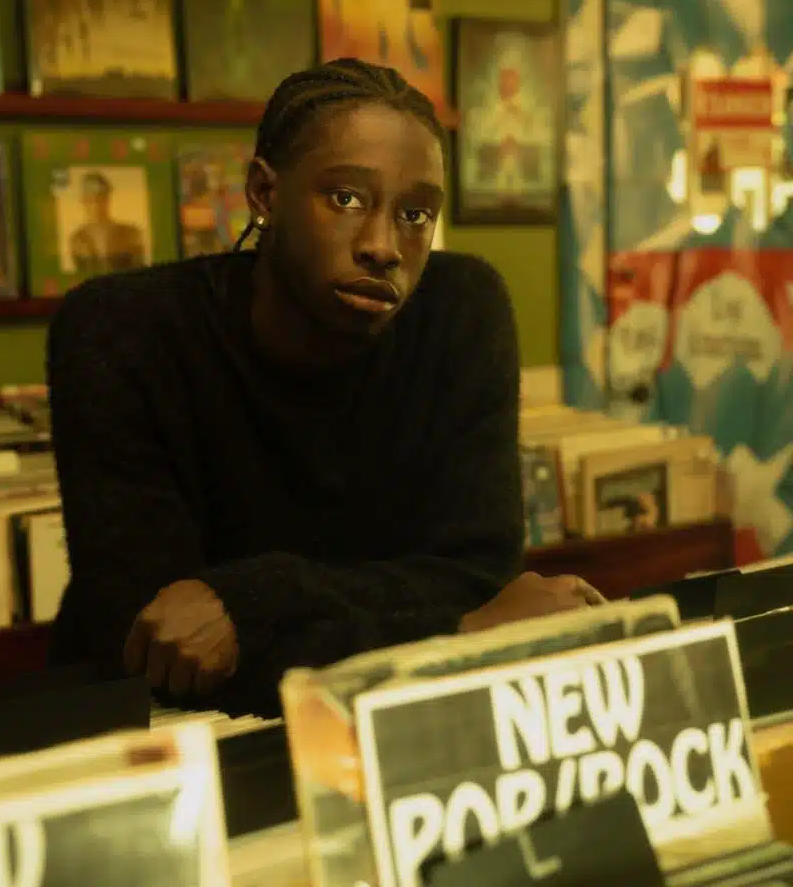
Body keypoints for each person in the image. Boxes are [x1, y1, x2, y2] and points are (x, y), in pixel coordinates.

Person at [47, 58, 606, 717]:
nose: (383, 246)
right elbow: (159, 645)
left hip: (396, 724)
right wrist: (456, 636)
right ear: (264, 193)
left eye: (415, 213)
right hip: (167, 737)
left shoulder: (461, 309)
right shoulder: (122, 330)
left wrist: (252, 598)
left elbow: (477, 576)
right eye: (345, 199)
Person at [68, 172, 146, 276]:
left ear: (108, 199)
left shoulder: (130, 233)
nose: (96, 204)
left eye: (101, 198)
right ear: (83, 201)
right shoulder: (77, 239)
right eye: (90, 199)